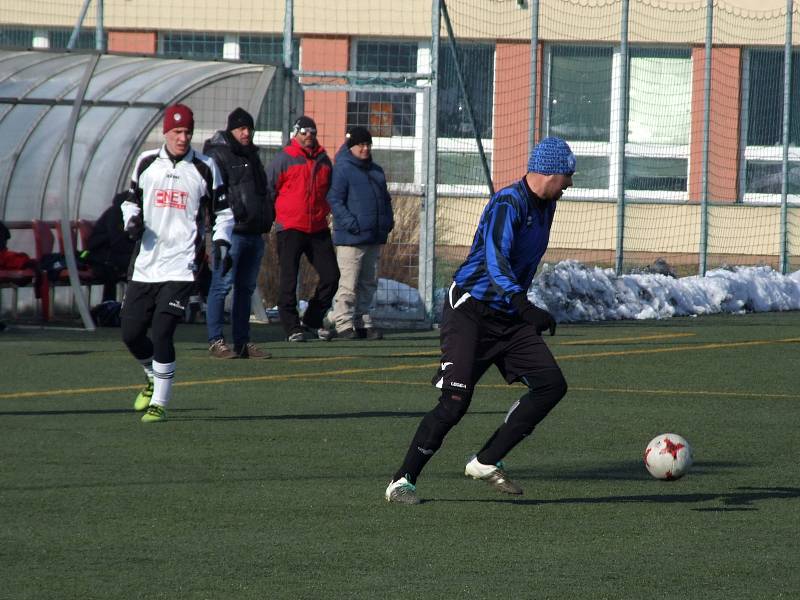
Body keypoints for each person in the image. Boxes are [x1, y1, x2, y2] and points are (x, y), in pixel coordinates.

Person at [384, 136, 575, 504]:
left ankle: (486, 461)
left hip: (506, 315)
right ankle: (401, 481)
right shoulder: (508, 203)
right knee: (455, 401)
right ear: (549, 172)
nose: (570, 183)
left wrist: (519, 308)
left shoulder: (547, 206)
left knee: (551, 384)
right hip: (470, 310)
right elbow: (495, 260)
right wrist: (524, 305)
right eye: (567, 175)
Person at [120, 103, 234, 423]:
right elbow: (129, 202)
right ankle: (150, 375)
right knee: (130, 333)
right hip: (146, 263)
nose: (183, 138)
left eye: (187, 132)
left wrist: (222, 241)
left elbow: (224, 212)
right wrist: (131, 222)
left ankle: (160, 402)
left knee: (162, 331)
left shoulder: (205, 166)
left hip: (183, 265)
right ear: (165, 132)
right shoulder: (146, 163)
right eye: (177, 132)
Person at [203, 107, 273, 359]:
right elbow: (214, 193)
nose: (246, 133)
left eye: (249, 129)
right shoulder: (218, 155)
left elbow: (262, 191)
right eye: (241, 128)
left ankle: (242, 342)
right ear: (231, 129)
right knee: (221, 286)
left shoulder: (252, 155)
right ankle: (216, 341)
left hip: (254, 232)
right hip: (231, 232)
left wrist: (267, 214)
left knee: (245, 288)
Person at [266, 115, 339, 342]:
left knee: (332, 276)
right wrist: (270, 218)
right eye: (304, 132)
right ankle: (291, 326)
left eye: (313, 132)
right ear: (295, 133)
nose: (309, 136)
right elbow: (268, 189)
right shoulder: (284, 159)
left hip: (317, 227)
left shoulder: (324, 161)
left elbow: (331, 191)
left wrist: (328, 211)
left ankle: (312, 319)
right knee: (289, 279)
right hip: (290, 227)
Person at [327, 126, 393, 340]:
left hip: (373, 236)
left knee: (368, 282)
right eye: (360, 145)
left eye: (367, 144)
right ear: (351, 146)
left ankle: (361, 320)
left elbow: (385, 200)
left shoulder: (376, 171)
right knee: (348, 282)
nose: (365, 148)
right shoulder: (343, 169)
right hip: (351, 238)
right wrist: (351, 224)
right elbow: (335, 200)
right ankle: (343, 322)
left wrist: (387, 222)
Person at [82, 191, 135, 302]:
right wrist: (135, 251)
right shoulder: (115, 214)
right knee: (132, 262)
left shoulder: (124, 215)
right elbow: (116, 241)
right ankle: (115, 305)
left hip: (111, 252)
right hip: (99, 254)